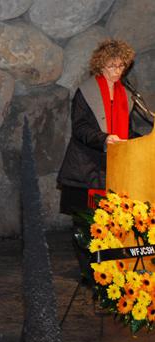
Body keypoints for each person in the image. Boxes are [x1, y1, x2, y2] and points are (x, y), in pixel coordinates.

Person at [57, 39, 138, 276]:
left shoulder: (126, 95)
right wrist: (103, 138)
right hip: (86, 168)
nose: (117, 71)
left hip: (113, 169)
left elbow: (128, 132)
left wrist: (142, 140)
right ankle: (90, 273)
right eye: (112, 66)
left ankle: (109, 269)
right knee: (86, 223)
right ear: (101, 65)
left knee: (110, 224)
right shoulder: (87, 91)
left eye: (121, 66)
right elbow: (80, 128)